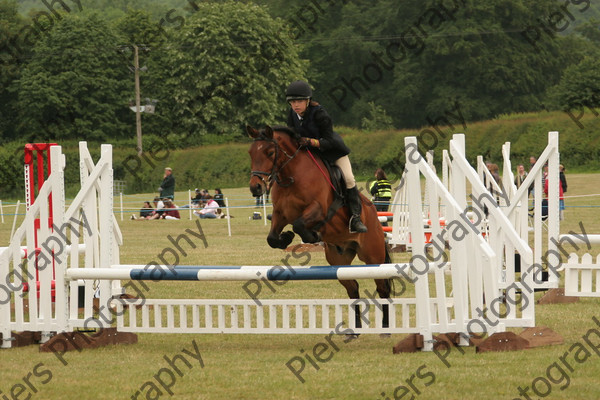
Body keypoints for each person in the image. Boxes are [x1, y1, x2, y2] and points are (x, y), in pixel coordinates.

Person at [285, 80, 367, 233]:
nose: (295, 105)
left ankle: (355, 218)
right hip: (310, 155)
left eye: (299, 101)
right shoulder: (292, 115)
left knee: (349, 179)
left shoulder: (320, 113)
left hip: (332, 151)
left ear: (308, 101)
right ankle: (285, 210)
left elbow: (328, 140)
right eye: (292, 102)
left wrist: (310, 141)